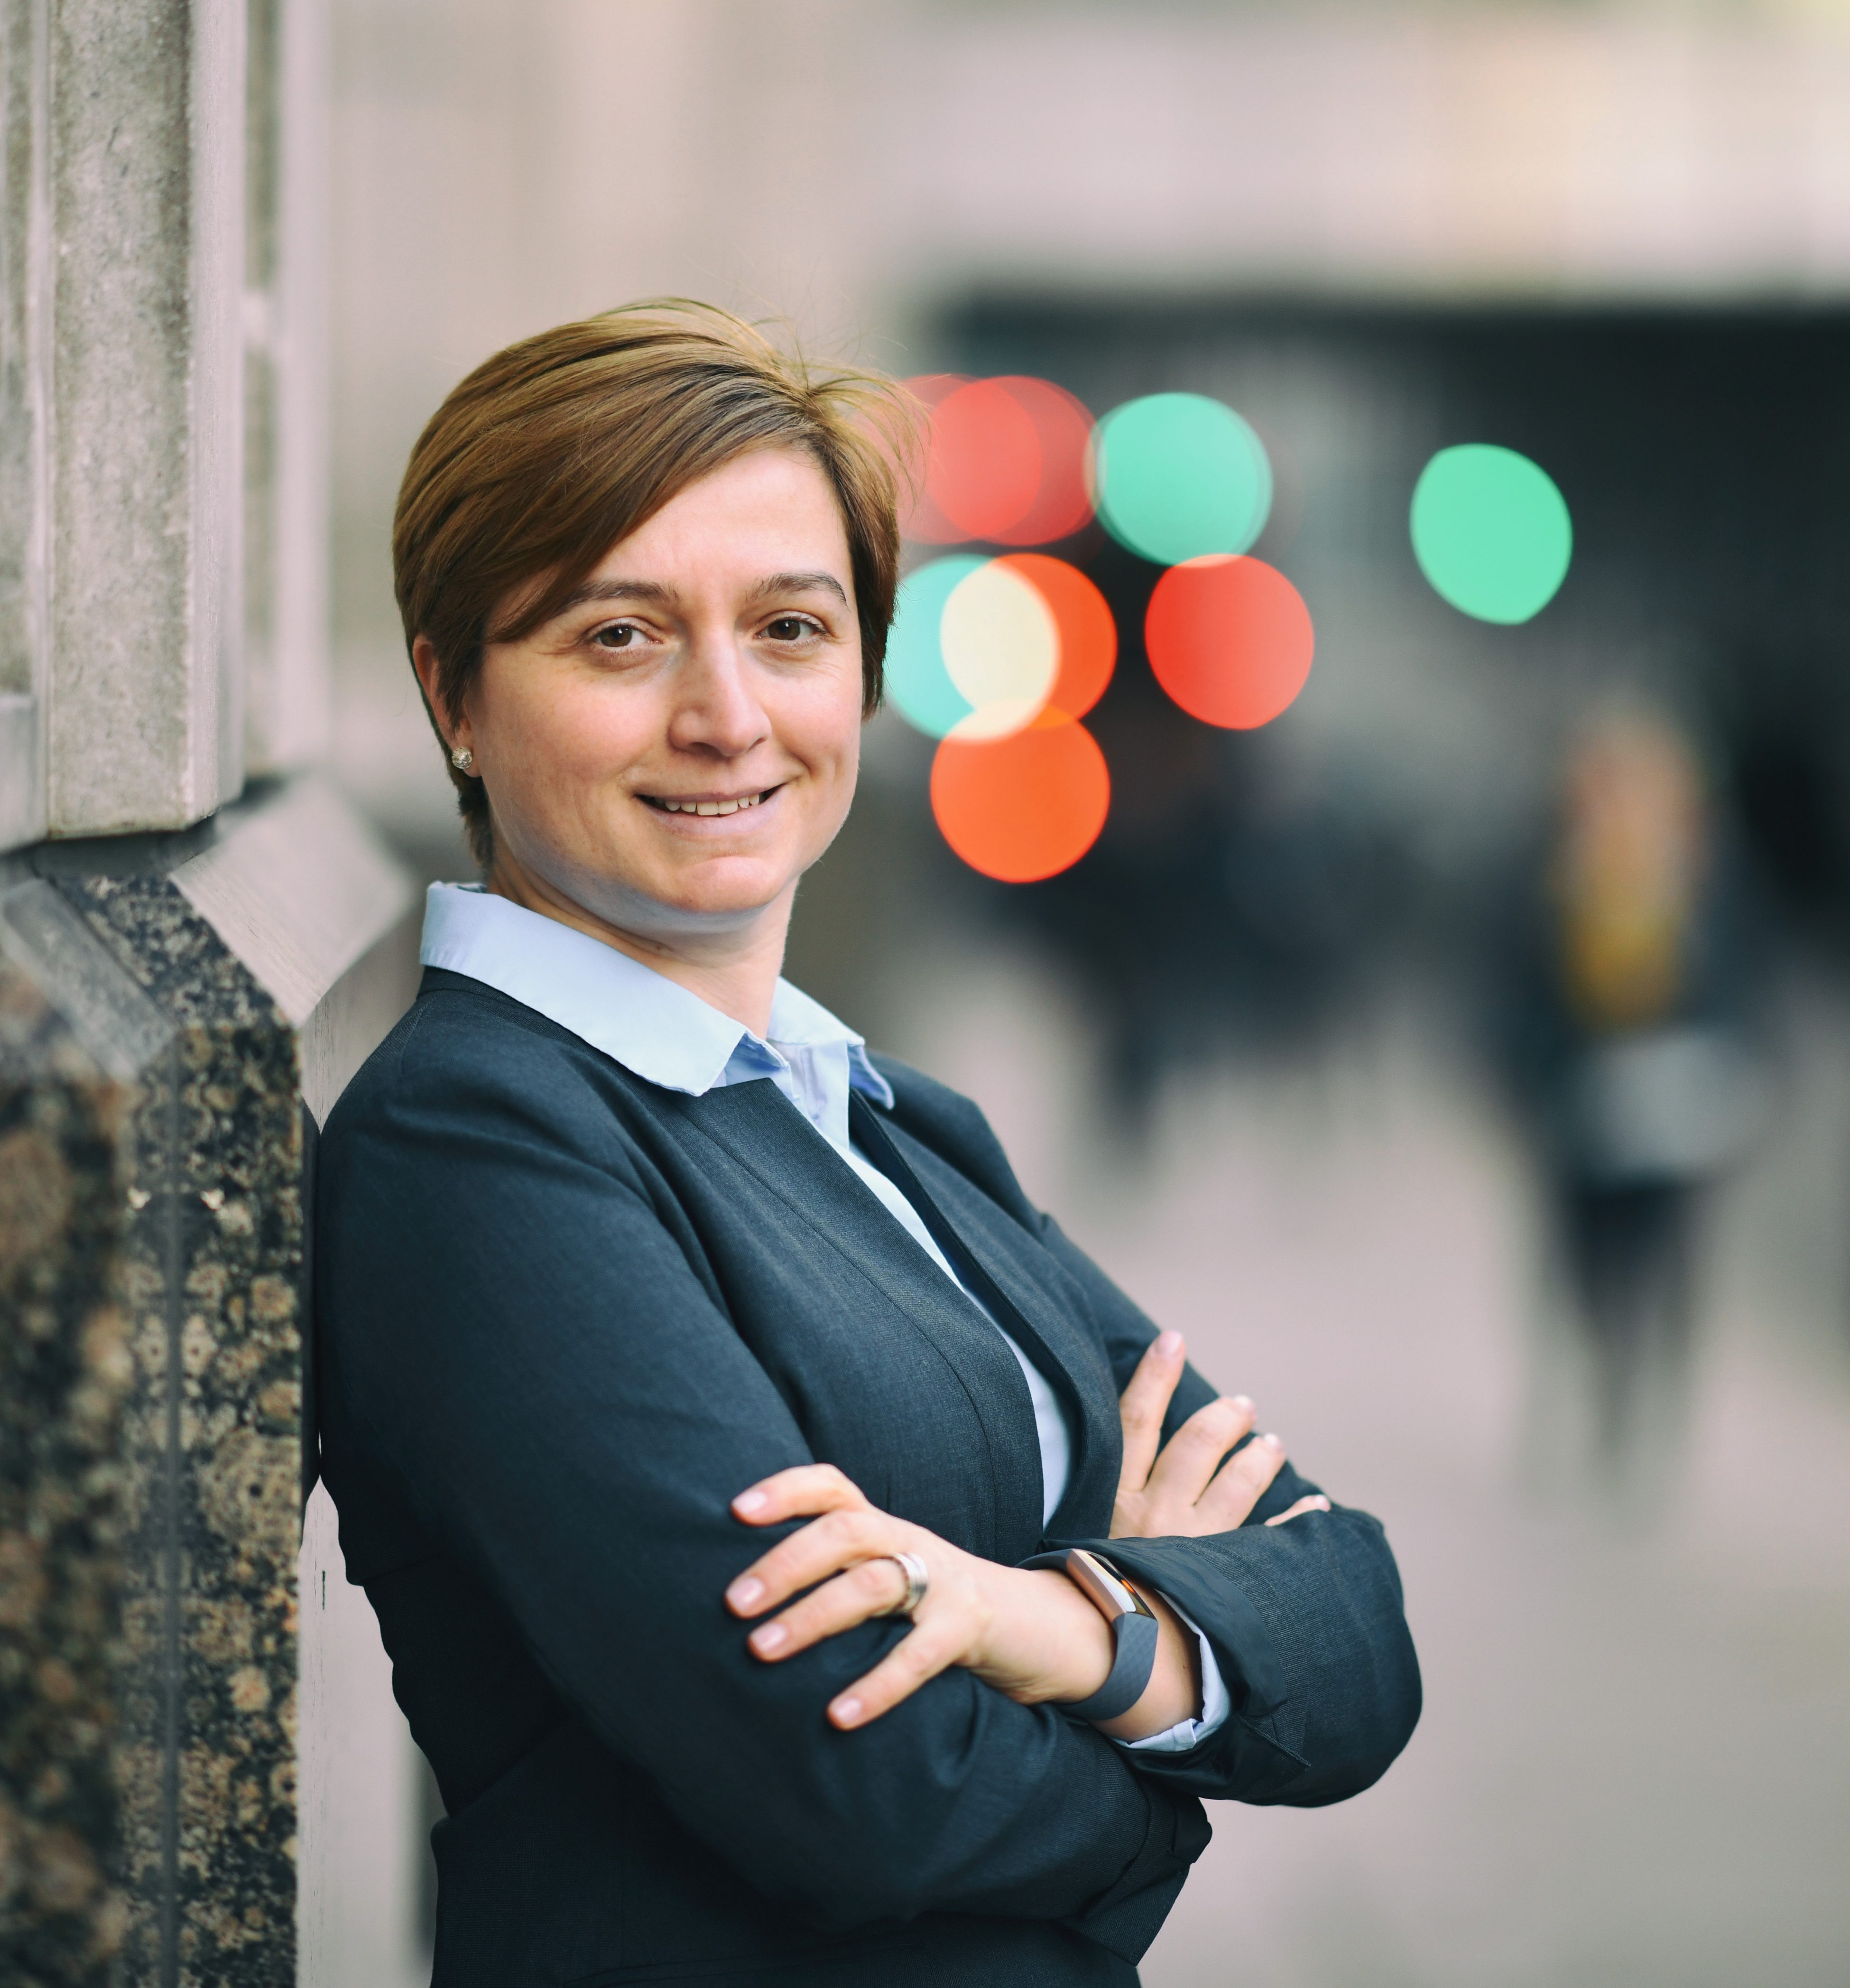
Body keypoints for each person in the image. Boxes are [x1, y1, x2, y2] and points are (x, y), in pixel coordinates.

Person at [315, 302, 1421, 1988]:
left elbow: (1354, 1631)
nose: (727, 714)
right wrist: (1170, 1755)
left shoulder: (895, 1120)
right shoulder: (476, 1144)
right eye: (620, 637)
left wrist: (1045, 1622)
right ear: (451, 694)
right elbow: (865, 1792)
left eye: (789, 627)